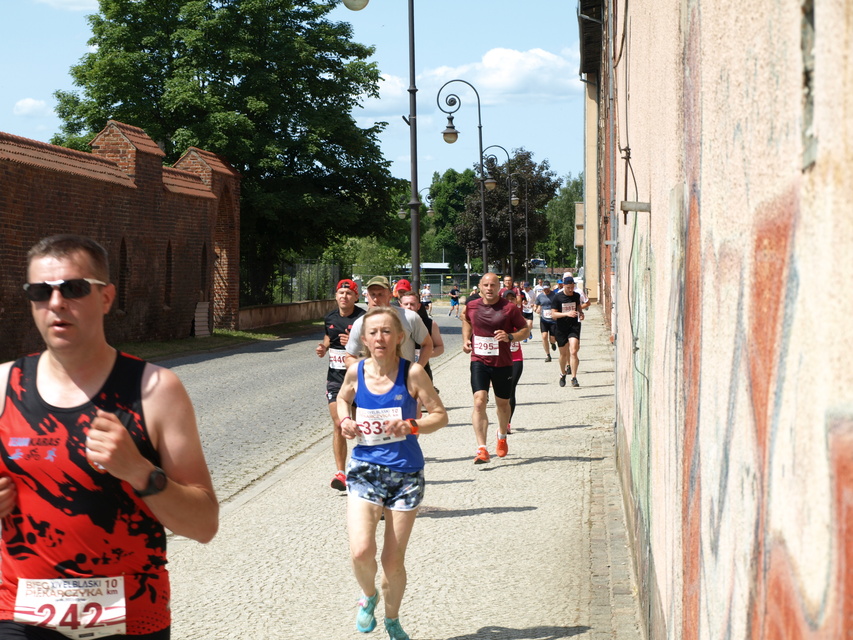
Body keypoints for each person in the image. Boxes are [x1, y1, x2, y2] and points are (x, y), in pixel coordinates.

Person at [0, 234, 218, 639]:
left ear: (106, 297)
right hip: (20, 616)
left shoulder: (156, 390)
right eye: (39, 292)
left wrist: (139, 472)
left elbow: (204, 524)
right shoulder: (4, 384)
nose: (56, 303)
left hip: (130, 619)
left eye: (74, 288)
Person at [337, 307, 447, 640]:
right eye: (373, 333)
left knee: (392, 560)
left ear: (400, 337)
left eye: (387, 332)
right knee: (361, 551)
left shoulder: (412, 373)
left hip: (405, 474)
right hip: (365, 470)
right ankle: (369, 595)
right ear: (364, 339)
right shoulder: (356, 372)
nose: (380, 338)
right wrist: (344, 421)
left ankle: (393, 618)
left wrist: (413, 424)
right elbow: (343, 399)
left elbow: (440, 416)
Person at [462, 273, 529, 464]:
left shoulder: (509, 308)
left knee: (502, 405)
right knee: (479, 400)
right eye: (486, 285)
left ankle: (501, 436)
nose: (489, 288)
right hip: (479, 360)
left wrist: (510, 337)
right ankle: (481, 449)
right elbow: (465, 319)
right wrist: (466, 340)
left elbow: (525, 330)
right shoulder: (472, 306)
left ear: (499, 287)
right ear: (480, 287)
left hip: (503, 363)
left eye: (493, 285)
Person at [316, 279, 366, 491]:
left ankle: (365, 467)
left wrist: (355, 345)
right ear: (336, 296)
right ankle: (341, 473)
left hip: (360, 379)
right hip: (336, 378)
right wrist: (323, 347)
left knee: (362, 425)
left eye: (348, 293)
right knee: (339, 423)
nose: (344, 296)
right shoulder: (330, 317)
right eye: (340, 293)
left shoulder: (363, 318)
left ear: (356, 297)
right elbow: (329, 336)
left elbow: (374, 347)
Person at [345, 276, 432, 371]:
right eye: (372, 294)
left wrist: (417, 369)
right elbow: (350, 357)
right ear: (367, 296)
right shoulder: (360, 323)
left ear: (390, 296)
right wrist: (364, 375)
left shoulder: (409, 317)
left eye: (380, 294)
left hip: (403, 381)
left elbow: (427, 344)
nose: (375, 299)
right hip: (374, 383)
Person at [398, 290, 444, 390]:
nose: (409, 307)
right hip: (398, 370)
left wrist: (426, 353)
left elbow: (440, 347)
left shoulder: (430, 324)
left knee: (422, 403)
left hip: (422, 368)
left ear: (418, 306)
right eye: (406, 304)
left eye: (412, 304)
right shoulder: (393, 322)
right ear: (400, 305)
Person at [550, 274, 586, 388]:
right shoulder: (557, 297)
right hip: (561, 327)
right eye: (568, 288)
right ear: (564, 286)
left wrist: (581, 313)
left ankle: (574, 378)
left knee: (574, 351)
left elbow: (578, 307)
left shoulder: (576, 296)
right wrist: (566, 314)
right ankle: (563, 373)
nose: (570, 290)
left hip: (574, 326)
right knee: (563, 354)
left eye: (572, 287)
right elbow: (553, 315)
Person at [503, 291, 525, 435]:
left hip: (516, 359)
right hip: (501, 360)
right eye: (507, 299)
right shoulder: (498, 317)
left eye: (513, 299)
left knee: (511, 390)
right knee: (502, 394)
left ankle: (507, 423)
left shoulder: (518, 317)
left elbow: (525, 332)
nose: (510, 301)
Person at [534, 281, 558, 362]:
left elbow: (558, 304)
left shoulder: (554, 295)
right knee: (544, 336)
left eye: (547, 288)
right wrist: (535, 308)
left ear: (550, 287)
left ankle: (552, 343)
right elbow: (536, 304)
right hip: (544, 319)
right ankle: (548, 355)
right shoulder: (540, 296)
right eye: (545, 289)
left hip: (553, 320)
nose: (546, 290)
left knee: (552, 338)